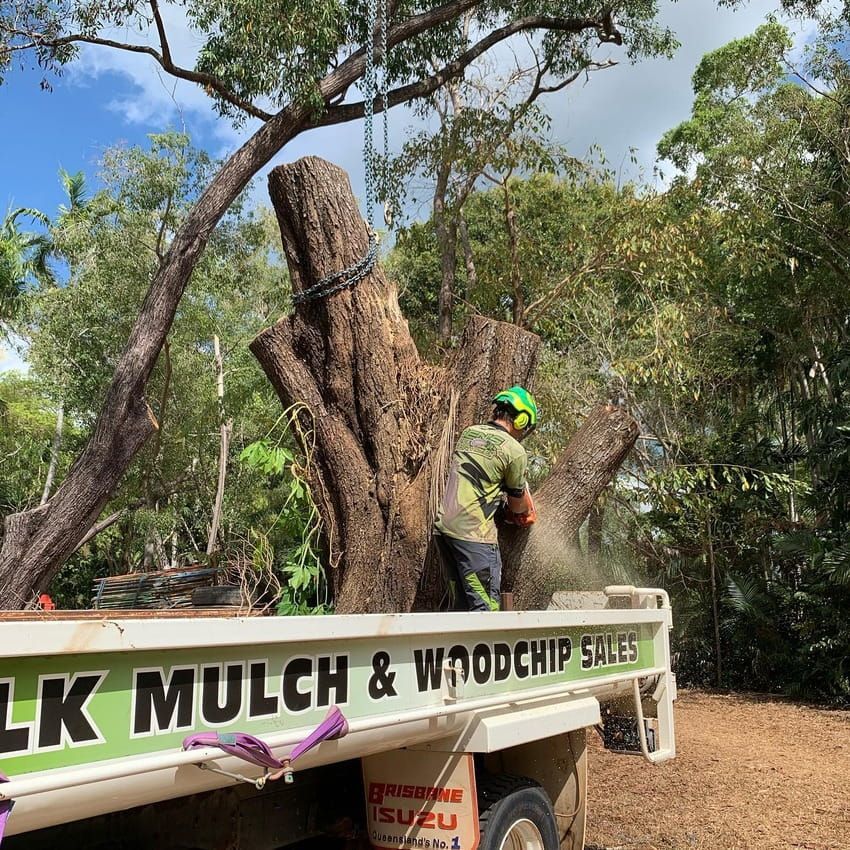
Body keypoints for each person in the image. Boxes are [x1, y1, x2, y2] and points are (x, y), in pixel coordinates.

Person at [433, 386, 538, 611]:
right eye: (525, 426)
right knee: (485, 610)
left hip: (444, 530)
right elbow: (519, 507)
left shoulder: (469, 433)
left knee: (460, 607)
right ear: (520, 420)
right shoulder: (515, 450)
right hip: (474, 538)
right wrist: (517, 512)